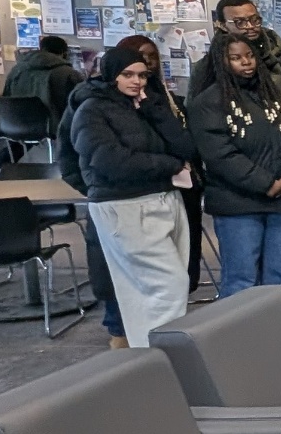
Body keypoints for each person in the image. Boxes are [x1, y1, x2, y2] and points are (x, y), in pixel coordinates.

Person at [71, 47, 198, 347]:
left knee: (156, 288)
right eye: (128, 74)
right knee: (169, 286)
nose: (136, 81)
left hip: (165, 199)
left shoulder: (146, 105)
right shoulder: (91, 109)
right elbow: (110, 162)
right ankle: (164, 356)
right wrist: (170, 166)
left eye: (142, 75)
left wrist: (156, 110)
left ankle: (151, 354)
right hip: (125, 205)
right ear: (111, 74)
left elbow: (186, 148)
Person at [188, 32, 281, 298]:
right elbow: (220, 154)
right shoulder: (208, 102)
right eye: (236, 58)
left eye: (249, 56)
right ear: (221, 62)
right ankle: (235, 340)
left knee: (280, 281)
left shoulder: (272, 92)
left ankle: (275, 338)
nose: (246, 63)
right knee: (241, 280)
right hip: (239, 206)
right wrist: (265, 183)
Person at [191, 0, 281, 106]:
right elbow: (195, 111)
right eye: (240, 22)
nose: (250, 26)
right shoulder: (206, 67)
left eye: (254, 20)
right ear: (222, 25)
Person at [3, 35, 83, 133]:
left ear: (41, 49)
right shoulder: (68, 74)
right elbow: (81, 105)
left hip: (11, 126)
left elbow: (5, 96)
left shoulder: (16, 70)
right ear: (64, 54)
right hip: (52, 130)